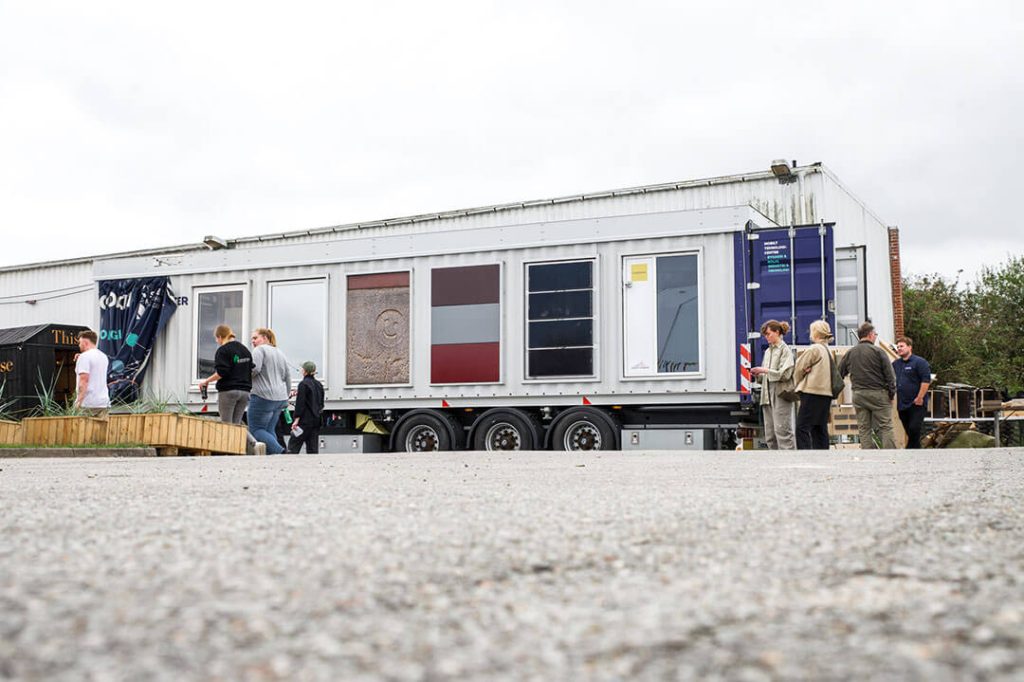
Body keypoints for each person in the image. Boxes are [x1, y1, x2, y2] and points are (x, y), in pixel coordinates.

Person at [839, 322, 897, 449]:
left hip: (858, 394)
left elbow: (840, 373)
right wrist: (891, 394)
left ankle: (868, 456)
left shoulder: (850, 353)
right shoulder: (878, 352)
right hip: (878, 394)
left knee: (864, 427)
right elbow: (890, 376)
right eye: (875, 334)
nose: (875, 336)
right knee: (885, 426)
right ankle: (891, 455)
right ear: (870, 335)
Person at [749, 320, 796, 449]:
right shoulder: (768, 352)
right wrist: (758, 375)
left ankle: (789, 463)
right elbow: (767, 375)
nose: (766, 337)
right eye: (765, 335)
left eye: (768, 334)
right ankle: (775, 464)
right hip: (766, 395)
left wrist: (764, 371)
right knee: (770, 435)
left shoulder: (785, 350)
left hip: (780, 393)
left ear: (777, 332)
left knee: (783, 432)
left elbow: (785, 374)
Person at [197, 324, 253, 428]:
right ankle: (246, 444)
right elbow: (251, 368)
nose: (217, 341)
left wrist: (206, 381)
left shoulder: (223, 350)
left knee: (226, 426)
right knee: (237, 426)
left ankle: (244, 444)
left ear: (219, 337)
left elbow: (222, 372)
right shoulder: (245, 350)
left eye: (216, 339)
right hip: (245, 392)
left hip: (229, 391)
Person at [248, 327, 292, 455]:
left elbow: (254, 370)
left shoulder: (259, 350)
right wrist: (286, 396)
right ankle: (274, 455)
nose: (253, 341)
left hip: (262, 396)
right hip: (280, 398)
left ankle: (281, 451)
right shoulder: (280, 352)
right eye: (252, 339)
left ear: (265, 338)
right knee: (268, 429)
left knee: (256, 429)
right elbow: (287, 376)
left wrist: (242, 376)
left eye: (255, 338)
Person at [793, 320, 836, 450]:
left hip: (812, 391)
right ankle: (822, 454)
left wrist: (797, 383)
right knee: (819, 427)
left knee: (802, 427)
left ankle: (805, 455)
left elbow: (799, 367)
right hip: (826, 393)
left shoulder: (814, 349)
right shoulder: (827, 350)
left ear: (815, 333)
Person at [893, 336, 931, 449]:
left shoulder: (920, 362)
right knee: (911, 433)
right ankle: (917, 455)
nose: (899, 348)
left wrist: (920, 397)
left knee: (914, 429)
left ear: (910, 347)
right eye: (898, 346)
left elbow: (926, 381)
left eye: (902, 346)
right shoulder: (895, 364)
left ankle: (908, 451)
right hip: (902, 404)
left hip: (916, 403)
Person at [287, 361, 325, 454]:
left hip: (304, 422)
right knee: (312, 449)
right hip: (316, 421)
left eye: (302, 369)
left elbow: (300, 405)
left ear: (305, 371)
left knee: (293, 447)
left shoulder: (303, 384)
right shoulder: (319, 385)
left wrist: (296, 421)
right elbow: (321, 404)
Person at [74, 330, 110, 417]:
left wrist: (78, 402)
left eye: (80, 342)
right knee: (101, 430)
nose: (79, 345)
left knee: (83, 430)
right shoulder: (103, 356)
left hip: (88, 403)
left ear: (85, 342)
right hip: (103, 402)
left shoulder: (84, 357)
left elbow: (84, 381)